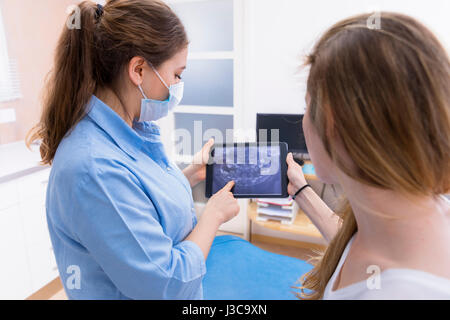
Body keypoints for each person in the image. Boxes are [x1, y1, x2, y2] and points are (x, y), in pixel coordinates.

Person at [26, 0, 239, 299]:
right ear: (138, 69)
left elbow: (138, 200)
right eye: (177, 74)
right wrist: (213, 215)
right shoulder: (93, 168)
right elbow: (166, 283)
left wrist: (190, 174)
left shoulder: (129, 129)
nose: (178, 85)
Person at [285, 12, 450, 299]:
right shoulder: (418, 208)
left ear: (331, 122)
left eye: (306, 106)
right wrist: (301, 191)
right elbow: (354, 243)